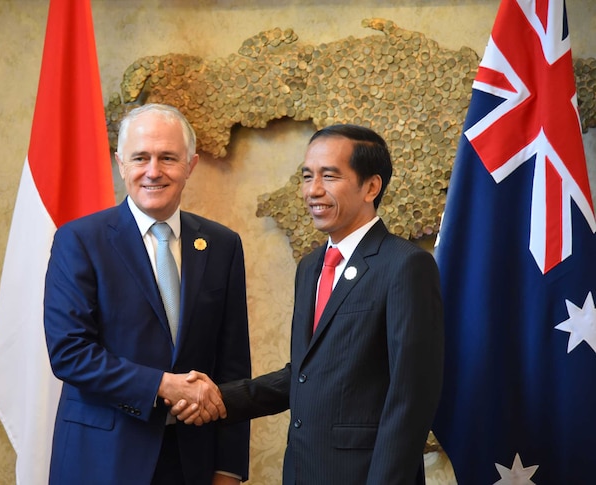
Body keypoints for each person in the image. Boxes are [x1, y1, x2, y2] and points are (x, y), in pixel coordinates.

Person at [173, 124, 444, 484]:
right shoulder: (312, 267)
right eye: (307, 176)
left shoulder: (405, 265)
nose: (313, 190)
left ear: (371, 186)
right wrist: (222, 397)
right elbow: (304, 374)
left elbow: (411, 397)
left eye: (329, 176)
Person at [43, 103, 251, 485]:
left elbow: (233, 366)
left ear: (191, 165)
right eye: (140, 157)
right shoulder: (79, 241)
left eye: (168, 158)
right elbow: (70, 354)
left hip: (192, 463)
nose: (153, 171)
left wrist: (229, 468)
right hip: (102, 460)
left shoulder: (222, 245)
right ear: (121, 164)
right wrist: (161, 385)